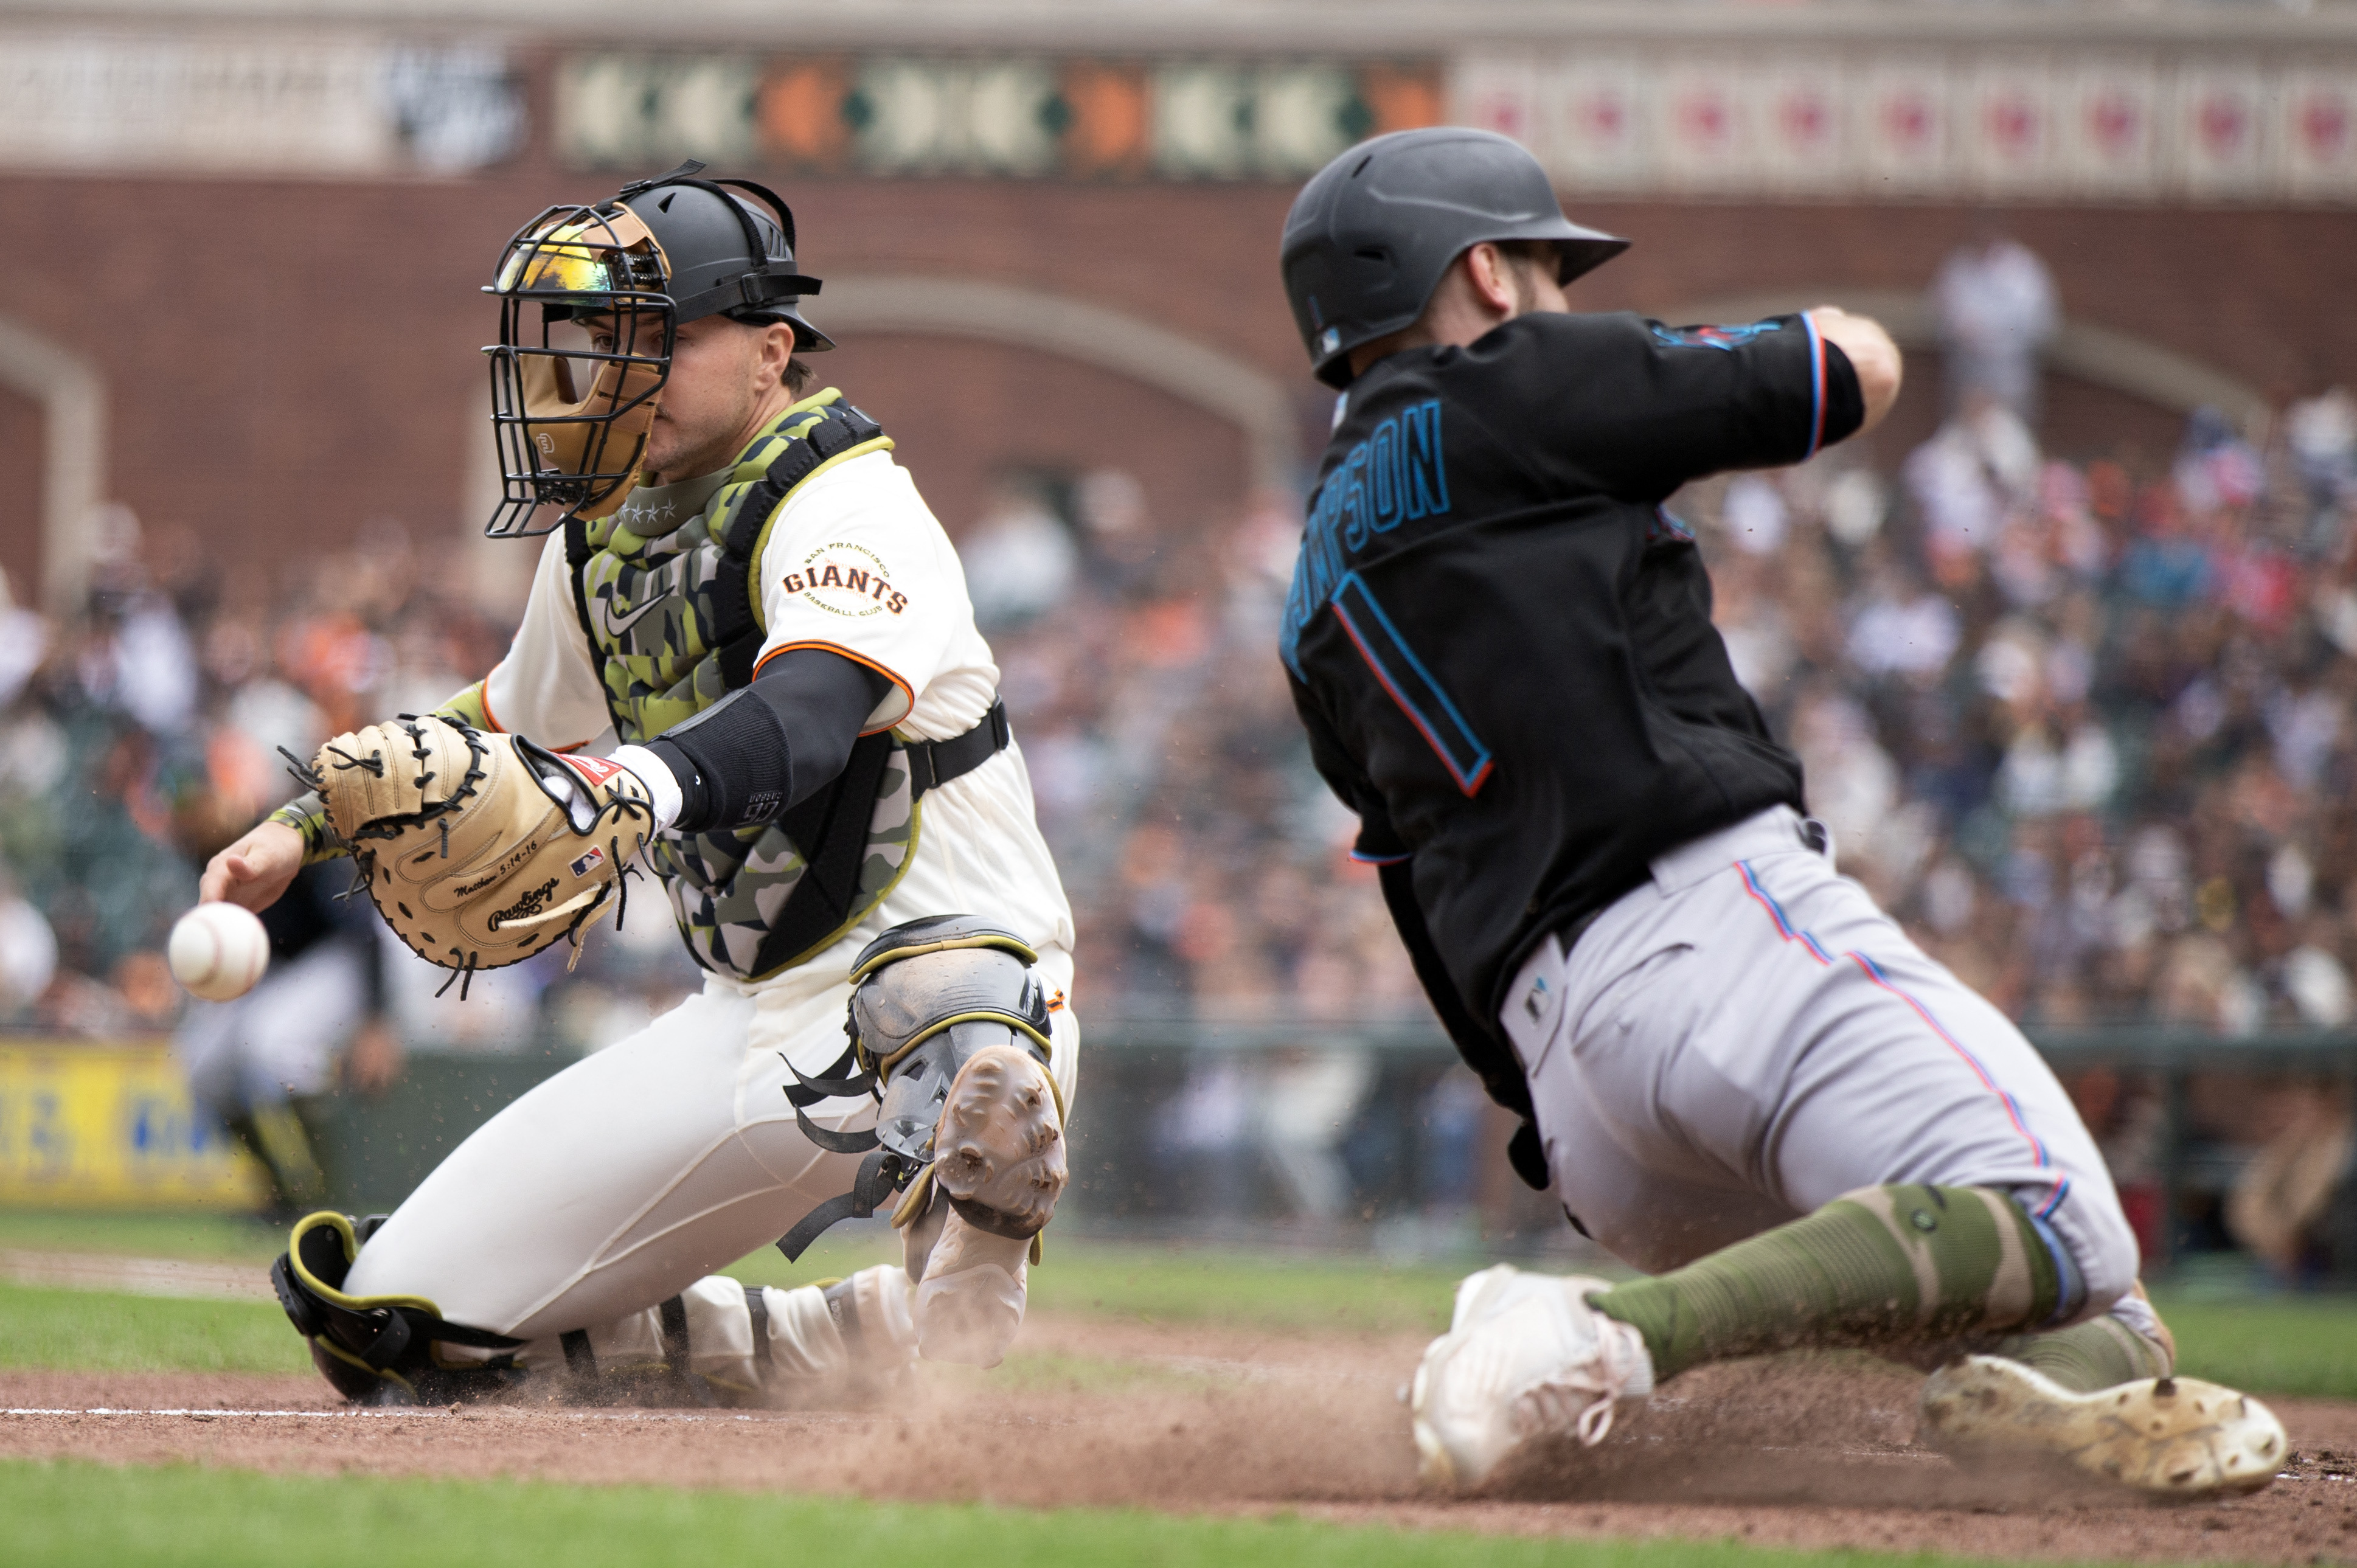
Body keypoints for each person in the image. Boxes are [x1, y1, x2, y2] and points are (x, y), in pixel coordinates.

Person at [1274, 128, 2283, 1496]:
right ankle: (1596, 1339)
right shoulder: (1509, 379)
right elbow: (1837, 371)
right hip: (1709, 938)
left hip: (1580, 1091)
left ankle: (1961, 1410)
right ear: (1486, 278)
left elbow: (1403, 876)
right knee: (2056, 1218)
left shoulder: (1306, 583)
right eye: (1545, 263)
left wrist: (1547, 1119)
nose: (1559, 291)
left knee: (2094, 1330)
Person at [200, 162, 1078, 1405]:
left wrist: (633, 781)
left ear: (772, 351)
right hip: (747, 1013)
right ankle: (854, 1338)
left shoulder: (848, 499)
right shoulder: (608, 529)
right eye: (605, 338)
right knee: (396, 1326)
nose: (619, 368)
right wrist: (308, 821)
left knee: (946, 987)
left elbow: (811, 714)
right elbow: (501, 720)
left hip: (949, 990)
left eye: (659, 337)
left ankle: (967, 1280)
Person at [173, 862, 402, 1219]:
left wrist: (376, 1020)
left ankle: (331, 1199)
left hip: (336, 954)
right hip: (274, 967)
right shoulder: (200, 848)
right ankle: (284, 1195)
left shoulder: (284, 833)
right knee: (203, 1069)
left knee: (276, 1045)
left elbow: (364, 930)